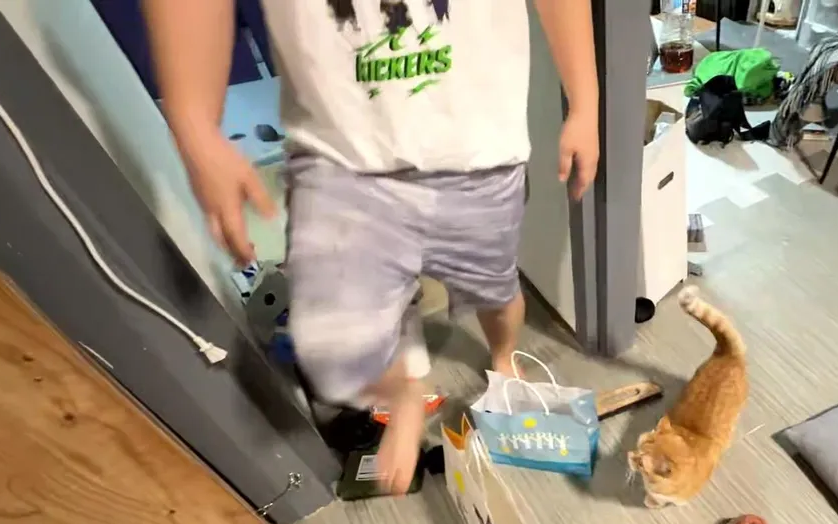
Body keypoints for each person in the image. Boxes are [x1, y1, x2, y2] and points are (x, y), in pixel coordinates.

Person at [144, 0, 599, 495]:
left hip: (479, 150)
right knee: (338, 334)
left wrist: (585, 101)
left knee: (495, 288)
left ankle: (504, 357)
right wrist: (194, 125)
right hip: (341, 158)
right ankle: (404, 391)